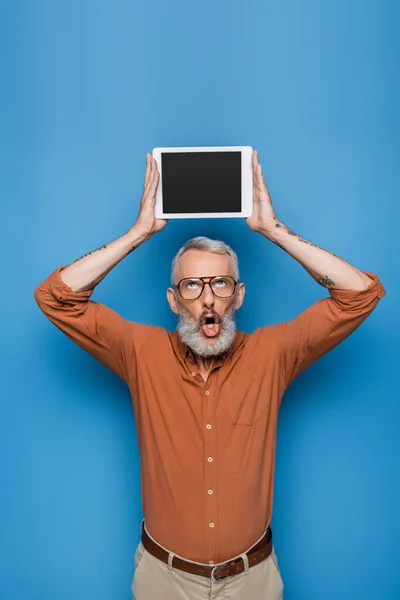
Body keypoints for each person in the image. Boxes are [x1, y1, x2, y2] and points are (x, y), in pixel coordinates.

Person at [34, 150, 386, 600]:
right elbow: (55, 297)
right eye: (192, 285)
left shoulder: (272, 353)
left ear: (237, 296)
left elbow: (359, 294)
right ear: (172, 299)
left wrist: (274, 231)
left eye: (219, 283)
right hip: (164, 579)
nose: (206, 299)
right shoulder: (141, 352)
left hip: (252, 580)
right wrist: (138, 234)